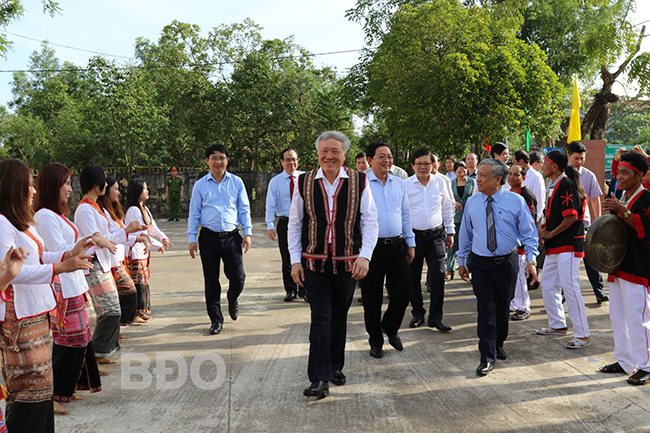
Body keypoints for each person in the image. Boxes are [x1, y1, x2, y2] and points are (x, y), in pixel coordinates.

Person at [0, 158, 94, 433]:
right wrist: (59, 268)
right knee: (29, 388)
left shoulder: (19, 223)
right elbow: (10, 272)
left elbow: (38, 258)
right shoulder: (3, 224)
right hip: (19, 314)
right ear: (13, 187)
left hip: (34, 311)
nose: (32, 191)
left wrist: (67, 255)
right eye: (28, 185)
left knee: (40, 387)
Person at [288, 131, 378, 399]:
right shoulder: (304, 181)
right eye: (324, 151)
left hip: (348, 264)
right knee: (321, 318)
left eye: (335, 151)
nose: (329, 156)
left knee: (339, 316)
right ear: (317, 153)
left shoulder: (359, 181)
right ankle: (318, 377)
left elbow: (370, 221)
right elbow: (295, 223)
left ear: (344, 155)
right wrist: (295, 262)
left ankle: (334, 366)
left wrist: (365, 256)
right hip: (314, 264)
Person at [34, 163, 111, 414]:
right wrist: (78, 248)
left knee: (77, 338)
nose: (70, 188)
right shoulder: (45, 216)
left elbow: (68, 248)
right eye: (65, 183)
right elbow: (54, 254)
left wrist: (88, 243)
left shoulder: (57, 214)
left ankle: (70, 386)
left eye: (69, 182)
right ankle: (57, 393)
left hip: (74, 282)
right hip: (63, 285)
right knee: (69, 340)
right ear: (52, 186)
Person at [458, 158, 538, 376]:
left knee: (503, 307)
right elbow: (465, 233)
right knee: (486, 310)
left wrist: (531, 260)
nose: (478, 179)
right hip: (480, 264)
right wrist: (462, 260)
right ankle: (487, 355)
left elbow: (529, 233)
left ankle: (498, 342)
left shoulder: (516, 201)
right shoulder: (473, 203)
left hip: (507, 263)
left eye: (483, 176)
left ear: (498, 179)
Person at [74, 164, 146, 366]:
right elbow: (96, 237)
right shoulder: (85, 209)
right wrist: (125, 232)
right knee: (110, 310)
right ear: (96, 183)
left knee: (110, 309)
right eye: (104, 180)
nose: (106, 184)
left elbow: (105, 236)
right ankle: (96, 353)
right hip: (94, 263)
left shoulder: (96, 207)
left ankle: (101, 351)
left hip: (103, 263)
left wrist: (128, 233)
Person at [188, 144, 252, 335]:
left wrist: (247, 233)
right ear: (207, 161)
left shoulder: (236, 182)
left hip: (232, 237)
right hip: (208, 238)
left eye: (221, 157)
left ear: (227, 160)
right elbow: (194, 213)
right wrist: (192, 237)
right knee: (211, 280)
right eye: (214, 158)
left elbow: (244, 208)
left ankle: (232, 298)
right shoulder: (200, 185)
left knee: (238, 277)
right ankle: (216, 320)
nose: (218, 161)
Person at [360, 142, 414, 359]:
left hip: (397, 246)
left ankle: (390, 327)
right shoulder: (361, 183)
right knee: (372, 298)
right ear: (370, 160)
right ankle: (375, 341)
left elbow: (405, 214)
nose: (387, 161)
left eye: (389, 157)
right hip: (371, 250)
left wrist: (410, 243)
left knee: (404, 292)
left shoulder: (399, 183)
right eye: (381, 156)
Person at [600, 151, 650, 385]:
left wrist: (621, 210)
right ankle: (625, 360)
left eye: (625, 173)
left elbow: (641, 227)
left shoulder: (646, 198)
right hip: (618, 266)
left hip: (638, 268)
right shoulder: (622, 196)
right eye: (618, 172)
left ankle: (647, 365)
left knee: (638, 318)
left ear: (639, 175)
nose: (619, 177)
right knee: (618, 316)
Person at [536, 152, 591, 349]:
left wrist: (550, 233)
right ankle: (557, 324)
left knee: (570, 287)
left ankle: (583, 334)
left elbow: (571, 216)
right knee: (549, 283)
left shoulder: (565, 183)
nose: (543, 166)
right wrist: (547, 232)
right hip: (556, 245)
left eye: (547, 163)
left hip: (567, 244)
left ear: (556, 166)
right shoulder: (555, 185)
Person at [406, 149, 455, 331]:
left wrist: (450, 232)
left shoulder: (442, 182)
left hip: (436, 236)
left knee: (438, 276)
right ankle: (418, 314)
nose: (423, 167)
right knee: (413, 277)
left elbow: (448, 207)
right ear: (413, 165)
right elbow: (403, 213)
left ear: (433, 164)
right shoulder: (406, 185)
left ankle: (436, 317)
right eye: (419, 164)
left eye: (427, 163)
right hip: (413, 236)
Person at [100, 177, 151, 326]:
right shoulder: (100, 211)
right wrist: (134, 235)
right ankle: (122, 323)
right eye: (115, 189)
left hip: (118, 258)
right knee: (127, 293)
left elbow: (124, 234)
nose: (119, 192)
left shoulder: (112, 211)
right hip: (110, 261)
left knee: (126, 293)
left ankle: (119, 327)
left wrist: (140, 238)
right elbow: (110, 236)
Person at [567, 141, 607, 304]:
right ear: (568, 155)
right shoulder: (562, 175)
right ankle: (564, 296)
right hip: (566, 227)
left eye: (582, 158)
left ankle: (599, 291)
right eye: (576, 158)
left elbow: (595, 200)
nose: (579, 162)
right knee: (568, 264)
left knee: (591, 260)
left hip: (585, 225)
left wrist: (597, 224)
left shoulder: (589, 176)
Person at [126, 179, 171, 322]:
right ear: (137, 191)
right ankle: (134, 313)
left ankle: (140, 311)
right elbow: (138, 234)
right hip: (135, 251)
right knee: (137, 284)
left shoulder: (143, 208)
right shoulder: (133, 210)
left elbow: (152, 227)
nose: (147, 191)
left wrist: (163, 237)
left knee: (143, 282)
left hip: (142, 251)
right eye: (144, 188)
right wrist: (157, 244)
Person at [265, 148, 305, 302]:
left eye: (294, 159)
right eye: (287, 160)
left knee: (305, 256)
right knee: (287, 256)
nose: (291, 163)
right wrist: (270, 225)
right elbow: (270, 205)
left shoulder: (304, 177)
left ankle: (304, 289)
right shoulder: (275, 182)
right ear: (281, 162)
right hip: (285, 222)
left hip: (304, 222)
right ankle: (290, 289)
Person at [506, 165, 538, 321]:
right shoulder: (509, 193)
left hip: (521, 244)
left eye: (516, 174)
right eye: (510, 174)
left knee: (520, 276)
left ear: (523, 178)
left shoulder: (527, 195)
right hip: (509, 243)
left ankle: (523, 307)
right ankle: (513, 304)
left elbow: (529, 222)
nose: (512, 177)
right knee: (511, 276)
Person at [446, 161, 474, 280]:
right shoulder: (451, 184)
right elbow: (447, 200)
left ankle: (468, 269)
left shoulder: (472, 182)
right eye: (459, 172)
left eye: (464, 171)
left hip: (469, 218)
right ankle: (450, 269)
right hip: (456, 218)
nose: (462, 174)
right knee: (453, 245)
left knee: (470, 244)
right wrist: (454, 203)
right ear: (455, 173)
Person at [513, 150, 545, 223]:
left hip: (533, 219)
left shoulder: (536, 177)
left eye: (514, 163)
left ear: (521, 162)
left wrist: (534, 221)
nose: (513, 166)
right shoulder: (519, 176)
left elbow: (539, 201)